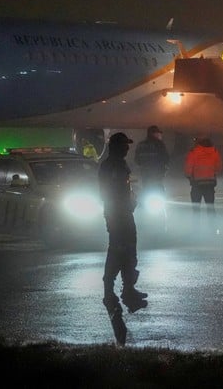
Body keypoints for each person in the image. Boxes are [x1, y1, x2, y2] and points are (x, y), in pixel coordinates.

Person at [98, 132, 147, 345]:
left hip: (122, 214)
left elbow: (124, 191)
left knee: (128, 251)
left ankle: (127, 289)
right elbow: (114, 192)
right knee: (119, 249)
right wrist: (125, 205)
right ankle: (111, 291)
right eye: (125, 145)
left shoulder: (118, 164)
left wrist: (132, 201)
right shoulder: (112, 166)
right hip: (118, 216)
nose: (128, 148)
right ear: (117, 146)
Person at [184, 136, 223, 233]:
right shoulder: (214, 151)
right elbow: (219, 167)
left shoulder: (194, 152)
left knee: (196, 209)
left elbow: (188, 168)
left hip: (197, 184)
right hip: (210, 183)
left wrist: (189, 177)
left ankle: (196, 231)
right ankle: (213, 230)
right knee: (210, 208)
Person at [134, 125, 170, 194]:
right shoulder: (159, 144)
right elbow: (166, 158)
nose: (159, 135)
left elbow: (137, 160)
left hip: (145, 176)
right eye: (158, 133)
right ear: (153, 134)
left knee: (146, 192)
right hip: (157, 177)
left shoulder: (141, 145)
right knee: (159, 192)